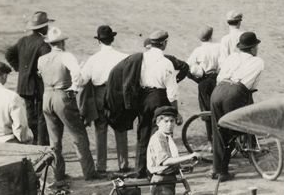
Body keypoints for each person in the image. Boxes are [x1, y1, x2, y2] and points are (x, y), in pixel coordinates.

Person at [37, 27, 100, 182]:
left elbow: (40, 73)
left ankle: (58, 173)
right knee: (78, 135)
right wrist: (74, 88)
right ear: (62, 42)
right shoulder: (66, 56)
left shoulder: (42, 59)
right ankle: (89, 172)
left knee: (54, 139)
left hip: (47, 97)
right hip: (62, 96)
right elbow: (76, 74)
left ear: (50, 44)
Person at [209, 32, 264, 181]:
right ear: (252, 49)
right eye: (256, 47)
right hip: (235, 92)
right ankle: (222, 172)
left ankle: (216, 169)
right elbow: (252, 84)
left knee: (218, 131)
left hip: (218, 89)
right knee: (230, 132)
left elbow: (220, 75)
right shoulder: (257, 61)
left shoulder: (232, 56)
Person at [78, 25, 130, 174]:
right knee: (120, 129)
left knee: (100, 130)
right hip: (117, 95)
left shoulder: (93, 59)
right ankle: (123, 163)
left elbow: (82, 81)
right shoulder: (123, 57)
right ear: (112, 39)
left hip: (100, 94)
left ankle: (101, 166)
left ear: (99, 42)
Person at [134, 30, 180, 179]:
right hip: (159, 98)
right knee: (159, 135)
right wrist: (175, 112)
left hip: (143, 98)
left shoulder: (141, 58)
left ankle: (140, 170)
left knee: (143, 134)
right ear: (164, 43)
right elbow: (172, 92)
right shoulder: (166, 62)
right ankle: (156, 169)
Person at [146, 106, 200, 195]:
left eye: (172, 121)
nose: (169, 124)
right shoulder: (158, 138)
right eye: (166, 121)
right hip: (161, 182)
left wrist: (183, 166)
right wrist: (189, 156)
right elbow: (165, 161)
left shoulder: (166, 137)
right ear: (158, 122)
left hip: (168, 179)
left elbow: (171, 161)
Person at [5, 11, 53, 145]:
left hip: (24, 85)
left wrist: (20, 69)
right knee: (42, 116)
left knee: (30, 115)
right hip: (38, 86)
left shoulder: (23, 40)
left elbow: (9, 54)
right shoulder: (44, 43)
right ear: (43, 28)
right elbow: (46, 62)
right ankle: (42, 143)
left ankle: (34, 140)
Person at [186, 26, 222, 152]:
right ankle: (222, 139)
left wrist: (198, 80)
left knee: (207, 111)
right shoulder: (218, 47)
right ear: (211, 36)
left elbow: (187, 68)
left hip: (205, 81)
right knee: (220, 108)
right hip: (218, 79)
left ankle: (210, 142)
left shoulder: (198, 51)